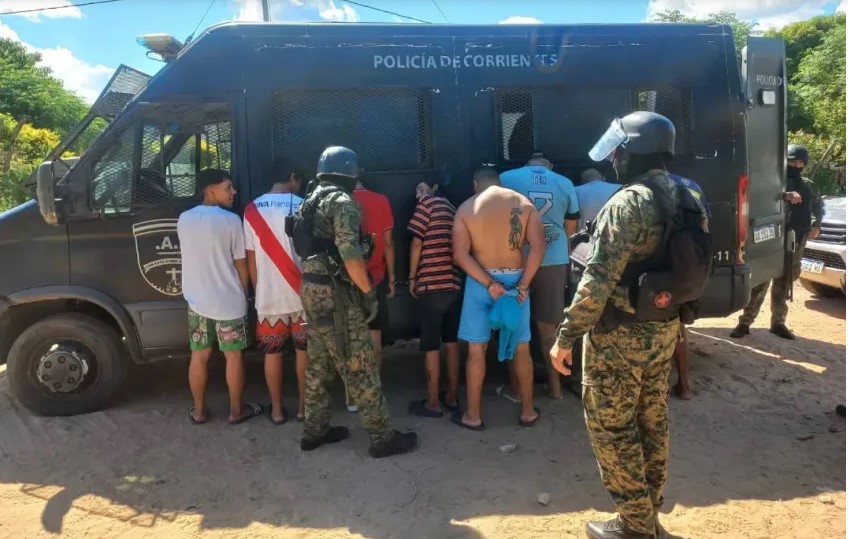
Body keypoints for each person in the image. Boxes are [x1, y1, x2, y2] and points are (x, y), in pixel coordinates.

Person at [550, 111, 709, 539]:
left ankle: (635, 526)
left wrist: (566, 336)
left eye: (618, 150)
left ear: (632, 150)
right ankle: (648, 515)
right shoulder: (689, 193)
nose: (614, 158)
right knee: (652, 421)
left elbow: (598, 279)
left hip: (618, 335)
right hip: (664, 328)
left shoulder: (628, 202)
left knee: (611, 428)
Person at [293, 145, 416, 458]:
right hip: (337, 294)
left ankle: (314, 431)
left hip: (312, 289)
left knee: (319, 366)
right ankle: (382, 438)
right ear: (350, 172)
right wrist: (367, 292)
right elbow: (350, 254)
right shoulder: (342, 202)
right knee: (361, 366)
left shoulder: (311, 199)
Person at [451, 167, 546, 430]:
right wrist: (524, 283)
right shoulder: (524, 204)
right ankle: (527, 411)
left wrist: (490, 284)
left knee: (476, 350)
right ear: (500, 183)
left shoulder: (466, 209)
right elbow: (539, 246)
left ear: (475, 184)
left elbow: (460, 255)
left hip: (480, 282)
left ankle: (472, 415)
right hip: (516, 283)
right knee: (522, 348)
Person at [178, 168, 263, 425]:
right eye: (228, 188)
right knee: (233, 356)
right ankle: (237, 411)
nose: (233, 192)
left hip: (197, 302)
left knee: (199, 355)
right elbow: (240, 263)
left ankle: (199, 411)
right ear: (211, 190)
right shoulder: (231, 220)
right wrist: (246, 294)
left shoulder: (184, 219)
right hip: (229, 302)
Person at [500, 151, 580, 400]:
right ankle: (555, 387)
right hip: (554, 260)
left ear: (526, 164)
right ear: (550, 166)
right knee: (548, 329)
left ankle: (516, 388)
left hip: (516, 259)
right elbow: (571, 229)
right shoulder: (564, 182)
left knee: (514, 323)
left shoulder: (507, 177)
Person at [731, 144, 824, 340]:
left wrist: (816, 225)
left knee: (785, 281)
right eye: (792, 162)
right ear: (785, 162)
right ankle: (745, 322)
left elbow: (818, 207)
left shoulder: (808, 185)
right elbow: (759, 197)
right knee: (760, 281)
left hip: (796, 239)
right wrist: (783, 195)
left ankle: (778, 323)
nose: (796, 166)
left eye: (800, 163)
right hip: (772, 239)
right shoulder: (773, 182)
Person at [243, 157, 309, 424]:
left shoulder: (251, 210)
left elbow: (250, 258)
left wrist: (258, 291)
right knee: (304, 352)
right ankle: (304, 408)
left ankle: (278, 411)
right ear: (292, 177)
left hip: (269, 297)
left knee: (272, 354)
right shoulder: (303, 205)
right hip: (303, 295)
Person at [406, 180, 462, 418]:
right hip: (453, 284)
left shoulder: (427, 204)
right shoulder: (451, 208)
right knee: (451, 342)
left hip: (431, 285)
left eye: (421, 188)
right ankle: (451, 396)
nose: (418, 193)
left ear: (434, 188)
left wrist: (411, 278)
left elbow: (417, 242)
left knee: (431, 345)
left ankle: (432, 403)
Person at [351, 178, 395, 412]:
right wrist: (393, 279)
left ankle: (352, 397)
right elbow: (388, 244)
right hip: (376, 279)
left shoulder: (339, 200)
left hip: (348, 280)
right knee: (375, 336)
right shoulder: (381, 200)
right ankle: (374, 391)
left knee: (351, 340)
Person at [667, 173, 711, 401]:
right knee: (680, 326)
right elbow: (705, 224)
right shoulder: (692, 184)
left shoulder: (648, 186)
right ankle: (684, 385)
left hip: (665, 263)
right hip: (691, 262)